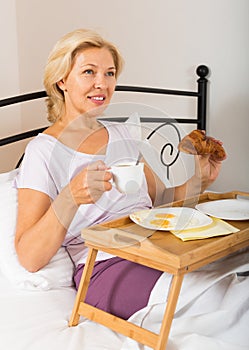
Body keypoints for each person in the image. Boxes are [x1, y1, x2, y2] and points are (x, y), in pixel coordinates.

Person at [14, 29, 222, 320]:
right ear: (62, 80)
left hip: (160, 247)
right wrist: (70, 198)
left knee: (229, 285)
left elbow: (161, 203)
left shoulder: (124, 134)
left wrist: (201, 180)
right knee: (214, 301)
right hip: (106, 267)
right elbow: (29, 256)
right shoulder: (42, 151)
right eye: (89, 72)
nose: (102, 84)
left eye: (110, 73)